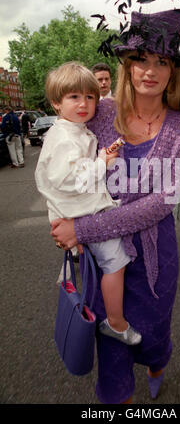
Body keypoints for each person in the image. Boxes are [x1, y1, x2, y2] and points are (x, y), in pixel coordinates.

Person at [50, 0, 180, 403]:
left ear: (172, 69)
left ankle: (158, 360)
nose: (150, 71)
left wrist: (81, 227)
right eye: (140, 59)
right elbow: (61, 161)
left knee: (153, 337)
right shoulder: (100, 114)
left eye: (160, 61)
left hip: (156, 260)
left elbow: (163, 202)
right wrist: (60, 221)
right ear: (127, 66)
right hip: (104, 259)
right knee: (113, 351)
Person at [35, 61, 142, 346]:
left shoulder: (75, 130)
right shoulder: (64, 137)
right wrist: (101, 163)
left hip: (78, 209)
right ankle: (116, 323)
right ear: (56, 103)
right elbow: (68, 178)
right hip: (79, 212)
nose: (83, 104)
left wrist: (104, 154)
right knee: (116, 262)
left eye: (89, 97)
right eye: (74, 97)